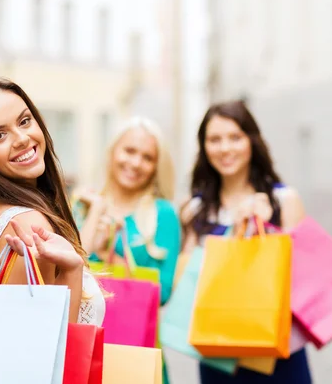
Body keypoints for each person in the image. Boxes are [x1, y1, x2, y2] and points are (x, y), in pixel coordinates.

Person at [0, 77, 104, 326]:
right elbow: (51, 344)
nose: (21, 138)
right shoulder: (26, 221)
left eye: (24, 121)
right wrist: (73, 271)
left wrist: (95, 214)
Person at [181, 100, 312, 383]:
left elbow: (304, 281)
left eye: (235, 137)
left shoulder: (284, 200)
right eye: (214, 139)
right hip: (218, 354)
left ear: (252, 141)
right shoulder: (195, 210)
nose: (225, 148)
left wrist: (266, 228)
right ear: (203, 147)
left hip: (279, 355)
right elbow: (186, 285)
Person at [71, 117, 181, 383]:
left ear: (156, 166)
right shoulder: (82, 206)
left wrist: (113, 252)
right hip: (84, 348)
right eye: (129, 151)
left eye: (147, 157)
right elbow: (62, 279)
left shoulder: (163, 214)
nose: (135, 163)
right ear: (112, 152)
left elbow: (162, 292)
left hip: (137, 351)